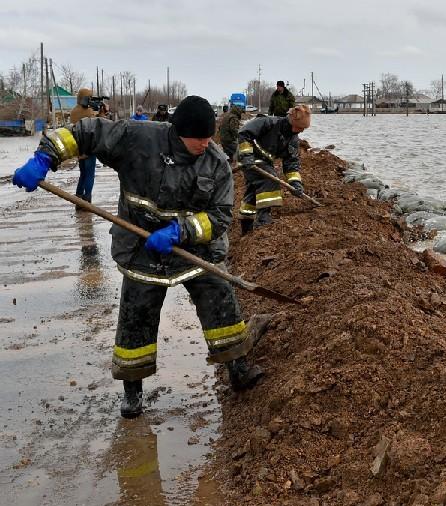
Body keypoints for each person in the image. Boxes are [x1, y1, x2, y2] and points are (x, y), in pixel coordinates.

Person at [12, 95, 269, 419]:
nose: (206, 143)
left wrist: (182, 232)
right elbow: (84, 132)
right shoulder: (137, 138)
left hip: (193, 249)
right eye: (199, 138)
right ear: (178, 132)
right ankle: (132, 393)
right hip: (140, 245)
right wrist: (44, 158)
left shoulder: (215, 162)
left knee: (221, 304)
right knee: (136, 319)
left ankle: (239, 369)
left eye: (209, 137)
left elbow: (220, 216)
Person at [237, 104, 310, 233]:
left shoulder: (292, 139)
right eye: (300, 127)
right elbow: (244, 133)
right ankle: (263, 222)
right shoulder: (268, 122)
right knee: (270, 181)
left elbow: (291, 163)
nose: (301, 131)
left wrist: (295, 183)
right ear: (292, 121)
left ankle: (246, 227)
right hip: (249, 158)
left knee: (254, 191)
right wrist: (246, 155)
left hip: (264, 162)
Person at [70, 87, 97, 205]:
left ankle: (78, 199)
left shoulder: (73, 111)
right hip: (89, 148)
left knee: (83, 174)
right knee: (90, 175)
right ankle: (87, 201)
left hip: (79, 148)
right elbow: (97, 125)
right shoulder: (89, 112)